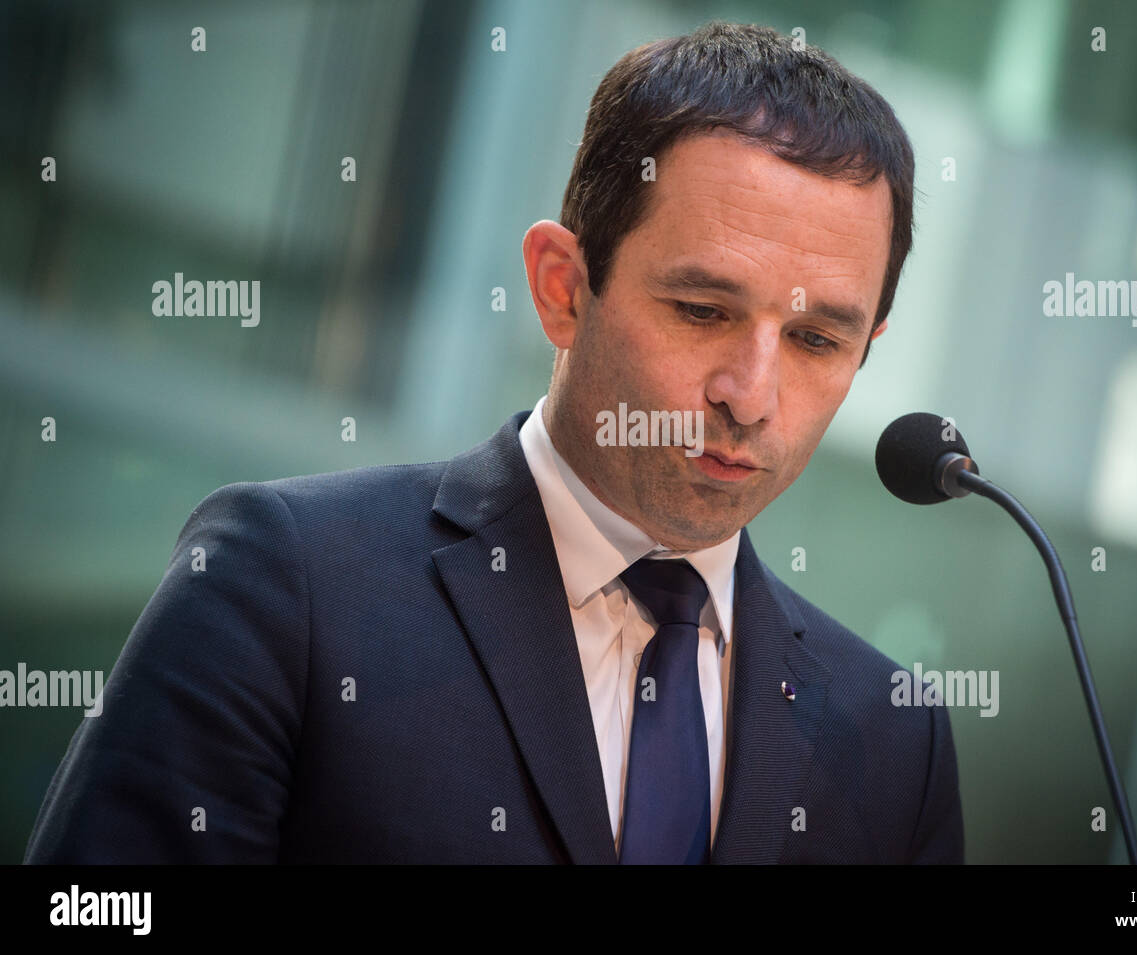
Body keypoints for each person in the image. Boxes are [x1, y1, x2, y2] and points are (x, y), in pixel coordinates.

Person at [25, 21, 962, 864]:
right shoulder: (286, 584)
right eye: (703, 310)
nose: (751, 396)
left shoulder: (891, 739)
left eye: (815, 341)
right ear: (562, 288)